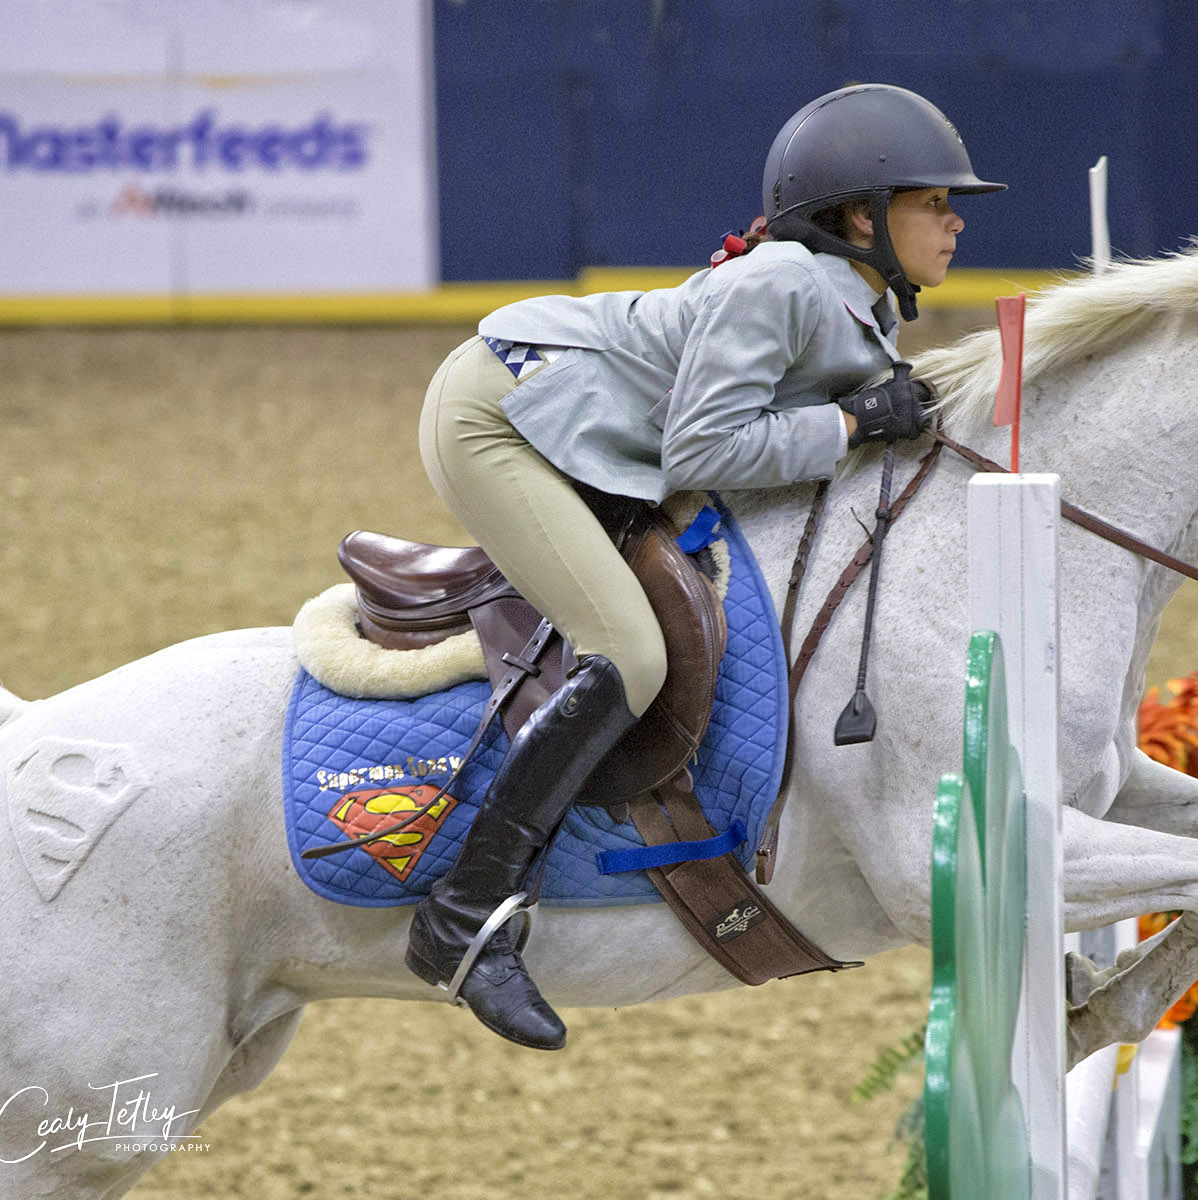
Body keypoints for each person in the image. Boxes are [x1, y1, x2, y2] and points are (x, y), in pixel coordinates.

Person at [406, 83, 1006, 1049]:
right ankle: (463, 916)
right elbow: (703, 449)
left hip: (587, 430)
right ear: (863, 217)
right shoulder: (783, 286)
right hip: (500, 418)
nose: (954, 222)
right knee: (630, 653)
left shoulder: (857, 302)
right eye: (934, 203)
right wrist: (852, 422)